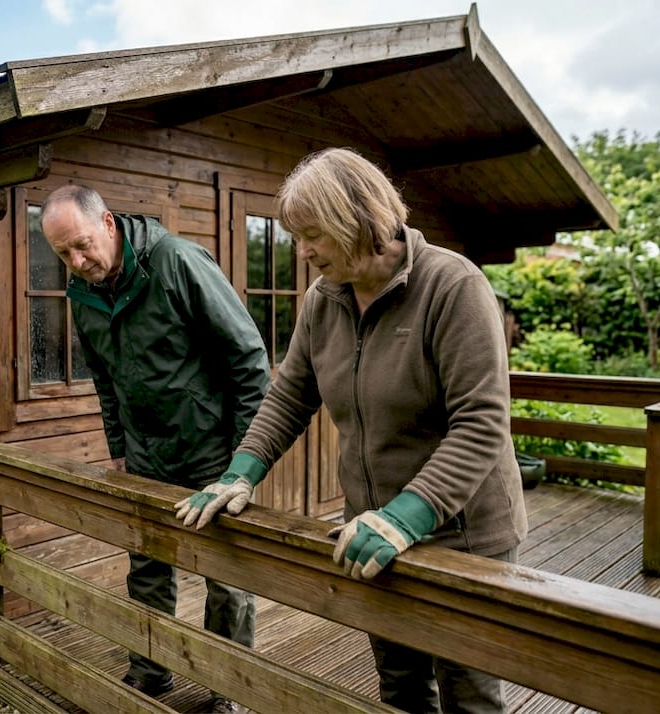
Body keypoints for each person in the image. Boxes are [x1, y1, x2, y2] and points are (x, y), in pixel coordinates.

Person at [174, 147, 528, 714]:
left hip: (463, 534)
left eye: (313, 234)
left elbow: (482, 422)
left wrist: (406, 517)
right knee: (401, 685)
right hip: (369, 526)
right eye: (297, 235)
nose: (303, 250)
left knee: (471, 697)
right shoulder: (324, 299)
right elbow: (290, 394)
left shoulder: (453, 287)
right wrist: (240, 473)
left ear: (360, 218)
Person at [41, 184, 270, 713]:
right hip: (145, 454)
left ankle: (228, 686)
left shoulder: (178, 262)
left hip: (213, 450)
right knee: (147, 567)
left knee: (227, 576)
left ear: (109, 225)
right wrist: (118, 447)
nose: (76, 261)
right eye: (62, 254)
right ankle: (150, 669)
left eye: (81, 244)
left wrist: (244, 459)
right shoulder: (85, 293)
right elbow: (103, 377)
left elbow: (249, 357)